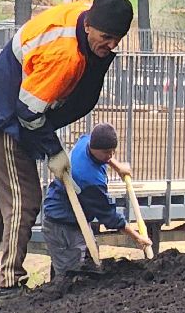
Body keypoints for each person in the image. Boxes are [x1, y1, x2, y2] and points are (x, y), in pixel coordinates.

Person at [0, 0, 134, 309]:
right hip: (4, 112)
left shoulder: (88, 14)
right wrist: (53, 152)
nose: (111, 45)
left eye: (117, 40)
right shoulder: (66, 57)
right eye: (106, 38)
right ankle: (9, 285)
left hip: (0, 98)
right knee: (24, 198)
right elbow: (28, 113)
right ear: (89, 26)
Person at [41, 123, 149, 291]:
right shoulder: (89, 179)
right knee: (71, 277)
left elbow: (105, 153)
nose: (110, 155)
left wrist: (118, 166)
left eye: (113, 151)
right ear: (94, 148)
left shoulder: (86, 141)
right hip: (62, 224)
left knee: (88, 265)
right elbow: (110, 217)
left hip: (78, 219)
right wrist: (137, 238)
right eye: (107, 152)